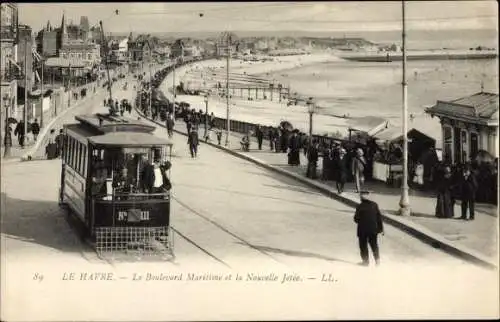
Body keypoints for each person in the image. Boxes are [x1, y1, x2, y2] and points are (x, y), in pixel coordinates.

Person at [354, 191, 384, 266]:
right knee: (374, 244)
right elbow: (379, 218)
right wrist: (381, 229)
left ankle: (365, 262)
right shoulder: (375, 205)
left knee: (363, 245)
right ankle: (377, 261)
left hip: (362, 230)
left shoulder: (359, 206)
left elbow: (356, 219)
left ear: (362, 198)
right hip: (373, 229)